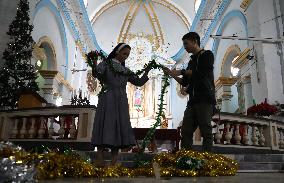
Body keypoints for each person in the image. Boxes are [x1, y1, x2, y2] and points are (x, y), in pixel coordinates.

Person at [91, 43, 151, 166]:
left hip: (121, 101)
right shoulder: (106, 64)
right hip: (107, 97)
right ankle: (99, 158)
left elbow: (138, 82)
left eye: (128, 55)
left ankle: (114, 161)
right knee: (104, 124)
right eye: (124, 54)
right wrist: (95, 62)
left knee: (118, 127)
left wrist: (147, 71)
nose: (126, 57)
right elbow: (97, 73)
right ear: (117, 52)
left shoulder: (126, 70)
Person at [163, 32, 216, 152]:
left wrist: (181, 71)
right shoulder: (191, 62)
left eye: (186, 44)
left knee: (205, 129)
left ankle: (208, 158)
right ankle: (186, 158)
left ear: (194, 41)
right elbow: (185, 82)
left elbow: (202, 72)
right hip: (192, 101)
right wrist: (172, 74)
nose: (185, 47)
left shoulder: (207, 55)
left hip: (205, 98)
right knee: (186, 130)